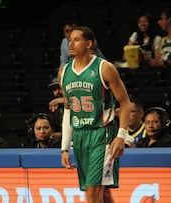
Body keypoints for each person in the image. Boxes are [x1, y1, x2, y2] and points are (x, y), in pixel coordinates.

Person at [59, 26, 131, 203]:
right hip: (80, 136)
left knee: (92, 193)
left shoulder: (104, 68)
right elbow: (68, 110)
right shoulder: (64, 72)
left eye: (76, 39)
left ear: (89, 43)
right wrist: (64, 147)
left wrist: (121, 136)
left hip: (103, 134)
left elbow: (124, 102)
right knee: (102, 193)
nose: (71, 43)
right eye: (70, 40)